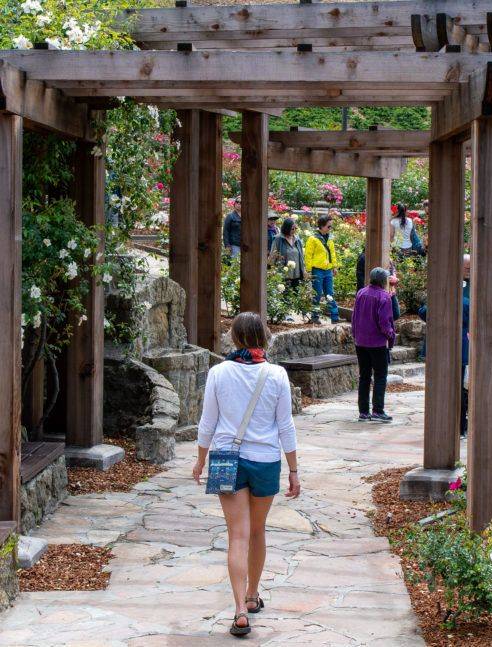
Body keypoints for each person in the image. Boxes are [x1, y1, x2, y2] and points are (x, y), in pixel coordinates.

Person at [193, 312, 301, 637]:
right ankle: (253, 595)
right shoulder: (277, 375)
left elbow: (207, 423)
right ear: (264, 338)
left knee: (236, 536)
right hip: (266, 459)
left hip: (227, 458)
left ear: (235, 338)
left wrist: (200, 461)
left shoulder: (218, 373)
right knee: (257, 531)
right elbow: (286, 426)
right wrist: (294, 470)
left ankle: (240, 609)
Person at [418, 295, 471, 437]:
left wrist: (425, 302)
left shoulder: (437, 301)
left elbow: (422, 313)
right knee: (460, 391)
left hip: (439, 351)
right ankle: (460, 427)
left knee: (438, 389)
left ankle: (439, 426)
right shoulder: (467, 303)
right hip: (461, 350)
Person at [351, 268, 396, 423]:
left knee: (364, 376)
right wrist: (390, 335)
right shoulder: (384, 297)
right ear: (384, 281)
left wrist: (355, 334)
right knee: (380, 376)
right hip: (377, 343)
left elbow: (354, 316)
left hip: (360, 342)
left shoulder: (361, 293)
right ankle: (378, 410)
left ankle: (363, 412)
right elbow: (385, 322)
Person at [304, 215, 340, 324]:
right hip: (317, 270)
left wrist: (334, 266)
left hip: (328, 270)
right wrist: (309, 270)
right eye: (329, 226)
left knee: (330, 293)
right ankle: (315, 317)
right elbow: (308, 255)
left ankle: (335, 317)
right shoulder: (313, 239)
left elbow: (332, 254)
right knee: (317, 294)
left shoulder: (329, 238)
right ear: (322, 226)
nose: (330, 228)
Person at [269, 217, 306, 285]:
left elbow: (301, 257)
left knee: (295, 294)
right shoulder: (278, 239)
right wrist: (272, 271)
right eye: (292, 229)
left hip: (297, 275)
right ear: (287, 228)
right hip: (283, 275)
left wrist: (304, 271)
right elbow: (272, 256)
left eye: (296, 228)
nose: (294, 230)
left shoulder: (297, 239)